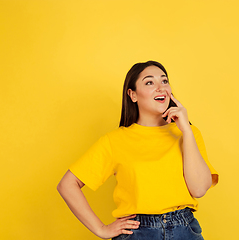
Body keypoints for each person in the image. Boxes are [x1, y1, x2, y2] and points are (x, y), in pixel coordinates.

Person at [57, 60, 219, 240]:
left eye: (164, 81)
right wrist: (102, 229)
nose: (160, 87)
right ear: (132, 95)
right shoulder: (115, 141)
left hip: (185, 230)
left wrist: (186, 132)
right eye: (149, 82)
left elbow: (198, 190)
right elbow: (67, 185)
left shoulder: (188, 133)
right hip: (138, 233)